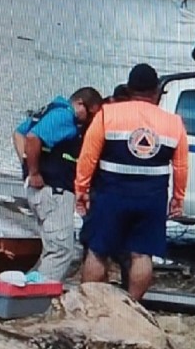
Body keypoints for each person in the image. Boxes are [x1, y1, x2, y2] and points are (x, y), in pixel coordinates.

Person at [75, 63, 189, 300]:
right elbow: (181, 166)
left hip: (112, 194)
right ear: (156, 91)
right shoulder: (174, 123)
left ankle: (90, 305)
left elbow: (88, 157)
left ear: (128, 88)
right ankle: (132, 305)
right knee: (142, 254)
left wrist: (82, 189)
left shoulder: (108, 114)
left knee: (97, 251)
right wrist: (178, 198)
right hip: (152, 197)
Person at [12, 87, 104, 282]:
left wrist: (26, 166)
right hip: (54, 192)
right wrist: (34, 171)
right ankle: (37, 297)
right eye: (91, 114)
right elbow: (32, 138)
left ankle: (26, 286)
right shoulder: (64, 116)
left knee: (51, 248)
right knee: (61, 251)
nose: (90, 120)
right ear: (80, 104)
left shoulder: (49, 110)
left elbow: (19, 133)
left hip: (42, 192)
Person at [79, 83, 132, 289]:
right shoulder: (104, 119)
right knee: (99, 245)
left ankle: (98, 287)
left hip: (103, 188)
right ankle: (99, 287)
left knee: (98, 244)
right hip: (103, 188)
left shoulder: (102, 117)